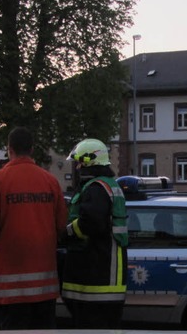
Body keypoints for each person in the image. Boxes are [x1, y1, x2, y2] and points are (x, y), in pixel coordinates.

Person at [0, 127, 67, 330]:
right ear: (32, 149)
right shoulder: (50, 181)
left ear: (9, 150)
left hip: (10, 286)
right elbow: (61, 224)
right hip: (44, 284)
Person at [61, 138, 128, 329]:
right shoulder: (110, 186)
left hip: (97, 276)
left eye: (80, 162)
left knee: (91, 326)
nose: (78, 168)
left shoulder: (96, 189)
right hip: (109, 276)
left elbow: (91, 223)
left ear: (91, 162)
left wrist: (66, 233)